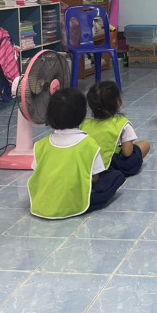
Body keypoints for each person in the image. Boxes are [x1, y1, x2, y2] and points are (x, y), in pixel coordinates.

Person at [27, 88, 125, 219]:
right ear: (82, 116)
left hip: (41, 204)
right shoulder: (89, 144)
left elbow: (37, 172)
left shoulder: (40, 145)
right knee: (116, 176)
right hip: (73, 204)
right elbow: (95, 177)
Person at [83, 81, 151, 177]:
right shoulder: (122, 123)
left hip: (90, 166)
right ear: (119, 102)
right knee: (145, 144)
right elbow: (127, 153)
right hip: (113, 166)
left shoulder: (85, 124)